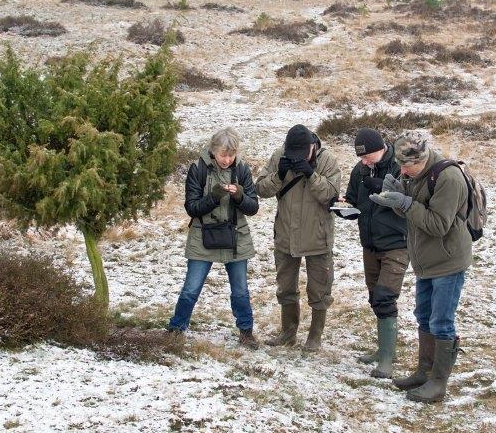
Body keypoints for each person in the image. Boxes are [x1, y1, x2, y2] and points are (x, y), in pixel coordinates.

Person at [369, 131, 472, 403]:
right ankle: (424, 371)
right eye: (400, 165)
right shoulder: (414, 174)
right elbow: (414, 212)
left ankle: (438, 382)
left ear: (423, 158)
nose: (402, 170)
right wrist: (399, 195)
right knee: (424, 315)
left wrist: (405, 202)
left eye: (407, 166)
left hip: (447, 260)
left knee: (441, 321)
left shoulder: (448, 178)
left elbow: (438, 224)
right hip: (425, 259)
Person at [168, 128, 260, 349]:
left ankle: (246, 332)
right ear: (213, 151)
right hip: (203, 235)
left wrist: (239, 195)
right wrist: (214, 197)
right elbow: (192, 207)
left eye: (231, 155)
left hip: (236, 236)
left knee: (240, 290)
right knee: (191, 288)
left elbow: (253, 207)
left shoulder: (243, 169)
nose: (227, 160)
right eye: (222, 155)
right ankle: (175, 330)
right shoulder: (198, 169)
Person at [256, 124, 341, 352]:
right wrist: (279, 175)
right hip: (286, 234)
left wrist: (312, 175)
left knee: (319, 289)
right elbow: (261, 189)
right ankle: (288, 332)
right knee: (285, 286)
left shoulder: (327, 160)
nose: (295, 158)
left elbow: (331, 195)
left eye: (300, 155)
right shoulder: (279, 156)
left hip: (317, 236)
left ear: (311, 147)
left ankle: (315, 336)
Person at [340, 128, 408, 378]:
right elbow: (354, 200)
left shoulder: (400, 166)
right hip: (369, 244)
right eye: (361, 157)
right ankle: (382, 350)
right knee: (374, 297)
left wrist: (382, 187)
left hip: (397, 244)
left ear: (381, 149)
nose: (364, 161)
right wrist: (344, 207)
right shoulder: (359, 170)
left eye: (368, 156)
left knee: (385, 297)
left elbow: (407, 198)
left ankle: (388, 360)